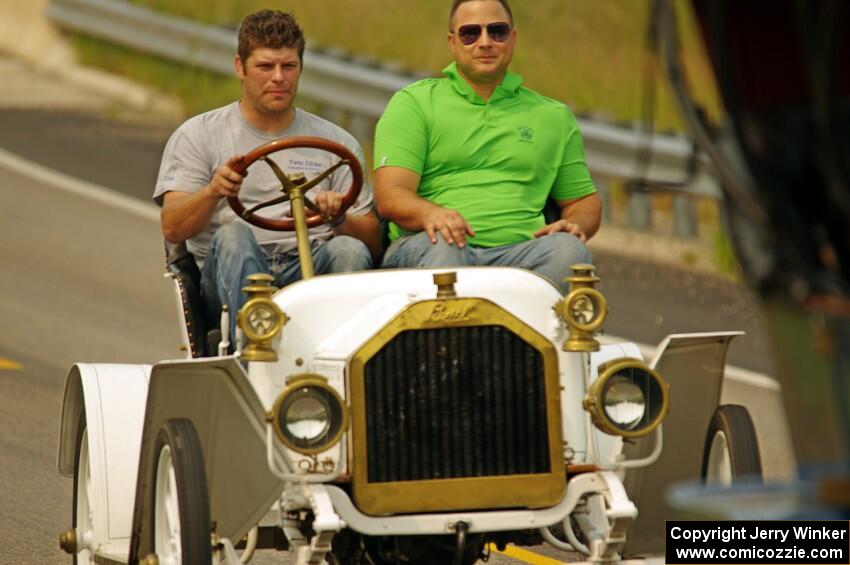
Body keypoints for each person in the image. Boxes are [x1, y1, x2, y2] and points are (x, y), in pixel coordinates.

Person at [154, 9, 381, 343]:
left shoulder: (337, 143)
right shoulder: (199, 135)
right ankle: (255, 352)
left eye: (288, 66)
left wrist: (337, 218)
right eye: (265, 66)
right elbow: (173, 227)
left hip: (306, 263)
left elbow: (374, 244)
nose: (278, 78)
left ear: (300, 69)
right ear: (239, 68)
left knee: (348, 249)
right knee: (234, 235)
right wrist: (213, 191)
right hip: (229, 273)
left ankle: (342, 358)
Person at [373, 0, 601, 294]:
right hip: (432, 246)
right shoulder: (414, 103)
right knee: (446, 245)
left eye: (497, 31)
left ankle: (524, 338)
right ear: (452, 42)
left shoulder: (553, 116)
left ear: (513, 38)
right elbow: (390, 195)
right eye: (470, 33)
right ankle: (448, 339)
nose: (485, 42)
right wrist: (431, 213)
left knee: (570, 252)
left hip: (522, 252)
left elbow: (583, 200)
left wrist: (574, 224)